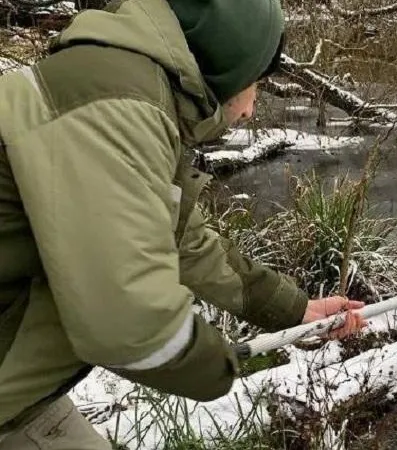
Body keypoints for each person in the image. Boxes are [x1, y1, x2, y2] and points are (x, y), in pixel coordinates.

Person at [0, 0, 366, 447]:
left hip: (20, 394)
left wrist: (293, 310)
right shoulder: (116, 105)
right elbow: (125, 322)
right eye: (255, 84)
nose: (252, 108)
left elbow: (184, 240)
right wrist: (220, 365)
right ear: (229, 63)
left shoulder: (123, 87)